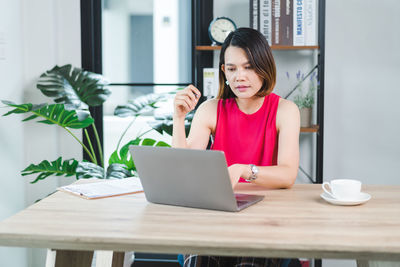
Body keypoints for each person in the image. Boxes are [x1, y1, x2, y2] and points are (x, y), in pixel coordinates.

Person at [172, 27, 300, 267]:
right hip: (216, 217)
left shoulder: (285, 110)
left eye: (249, 67)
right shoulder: (210, 109)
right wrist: (178, 119)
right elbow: (183, 169)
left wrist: (243, 169)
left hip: (265, 219)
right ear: (224, 71)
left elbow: (287, 174)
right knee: (200, 261)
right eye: (232, 68)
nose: (239, 76)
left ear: (264, 67)